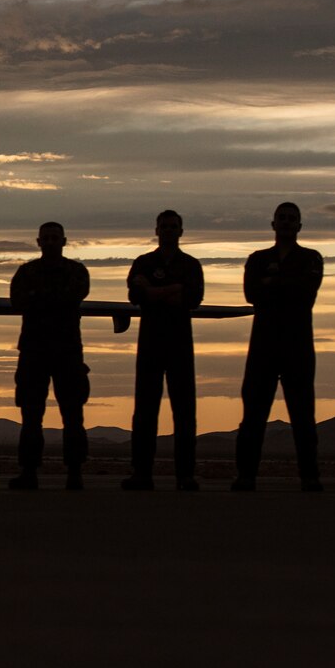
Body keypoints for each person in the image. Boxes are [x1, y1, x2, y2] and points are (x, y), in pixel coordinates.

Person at [233, 202, 323, 491]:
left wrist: (272, 283)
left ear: (299, 225)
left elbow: (306, 293)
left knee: (303, 415)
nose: (286, 222)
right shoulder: (257, 259)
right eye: (281, 218)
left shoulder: (311, 258)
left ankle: (309, 477)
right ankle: (246, 475)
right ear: (273, 224)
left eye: (291, 219)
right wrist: (285, 284)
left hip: (298, 347)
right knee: (253, 415)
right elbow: (252, 294)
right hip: (263, 347)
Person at [123, 209, 206, 491]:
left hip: (180, 344)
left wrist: (154, 291)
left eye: (174, 226)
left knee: (184, 411)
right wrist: (173, 290)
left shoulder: (191, 265)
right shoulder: (143, 262)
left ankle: (185, 474)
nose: (169, 230)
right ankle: (141, 473)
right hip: (150, 344)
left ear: (181, 231)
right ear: (156, 230)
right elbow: (136, 295)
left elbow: (192, 298)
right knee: (145, 410)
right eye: (164, 226)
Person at [8, 222, 91, 491]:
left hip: (67, 352)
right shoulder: (26, 271)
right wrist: (51, 298)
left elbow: (73, 296)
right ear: (39, 241)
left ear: (64, 241)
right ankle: (29, 471)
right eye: (47, 238)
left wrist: (38, 297)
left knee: (73, 415)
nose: (51, 242)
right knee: (31, 415)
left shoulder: (76, 271)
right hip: (34, 351)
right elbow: (18, 300)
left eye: (55, 238)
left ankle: (75, 472)